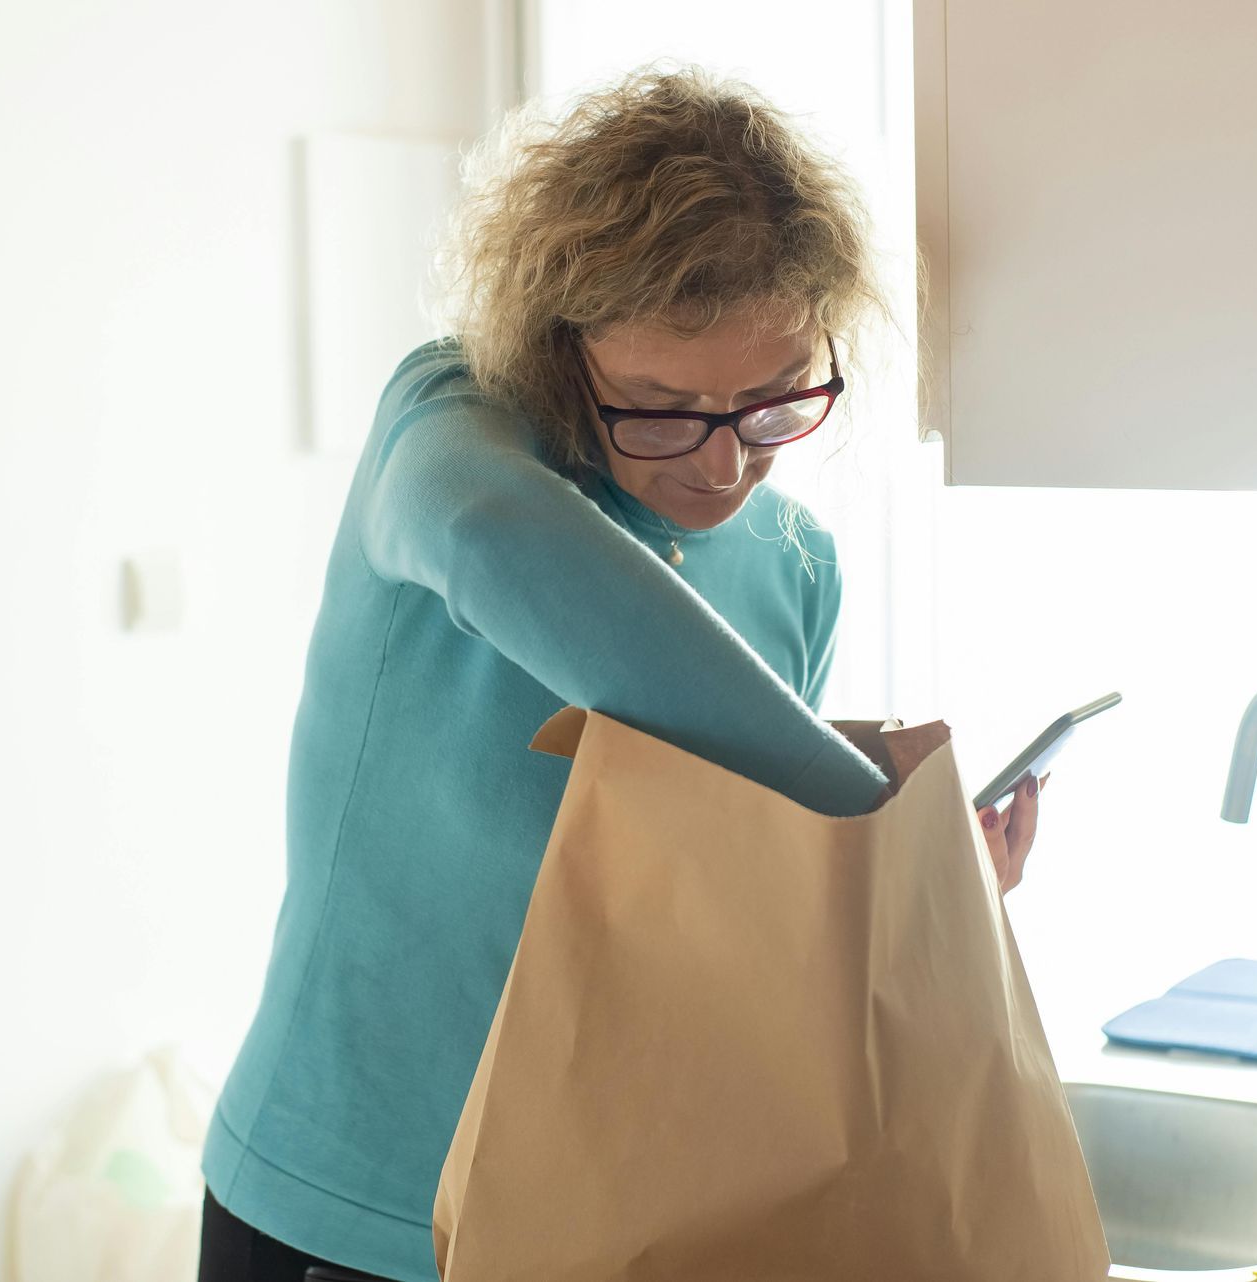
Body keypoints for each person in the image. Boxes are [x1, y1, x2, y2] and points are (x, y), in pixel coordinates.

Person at [196, 65, 1044, 1282]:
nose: (719, 465)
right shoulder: (451, 423)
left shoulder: (795, 568)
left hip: (583, 1218)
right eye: (657, 406)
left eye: (768, 405)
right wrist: (866, 810)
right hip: (346, 1200)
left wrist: (919, 884)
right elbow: (497, 541)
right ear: (558, 348)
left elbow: (730, 900)